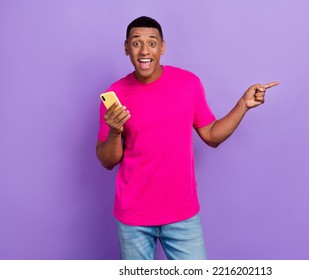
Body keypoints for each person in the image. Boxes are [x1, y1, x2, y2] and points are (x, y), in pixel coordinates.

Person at [96, 16, 279, 260]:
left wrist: (242, 105)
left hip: (182, 214)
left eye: (152, 42)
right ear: (126, 47)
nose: (144, 50)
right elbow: (108, 160)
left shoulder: (188, 84)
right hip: (133, 218)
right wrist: (116, 131)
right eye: (136, 42)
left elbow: (212, 135)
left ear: (162, 47)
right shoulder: (115, 94)